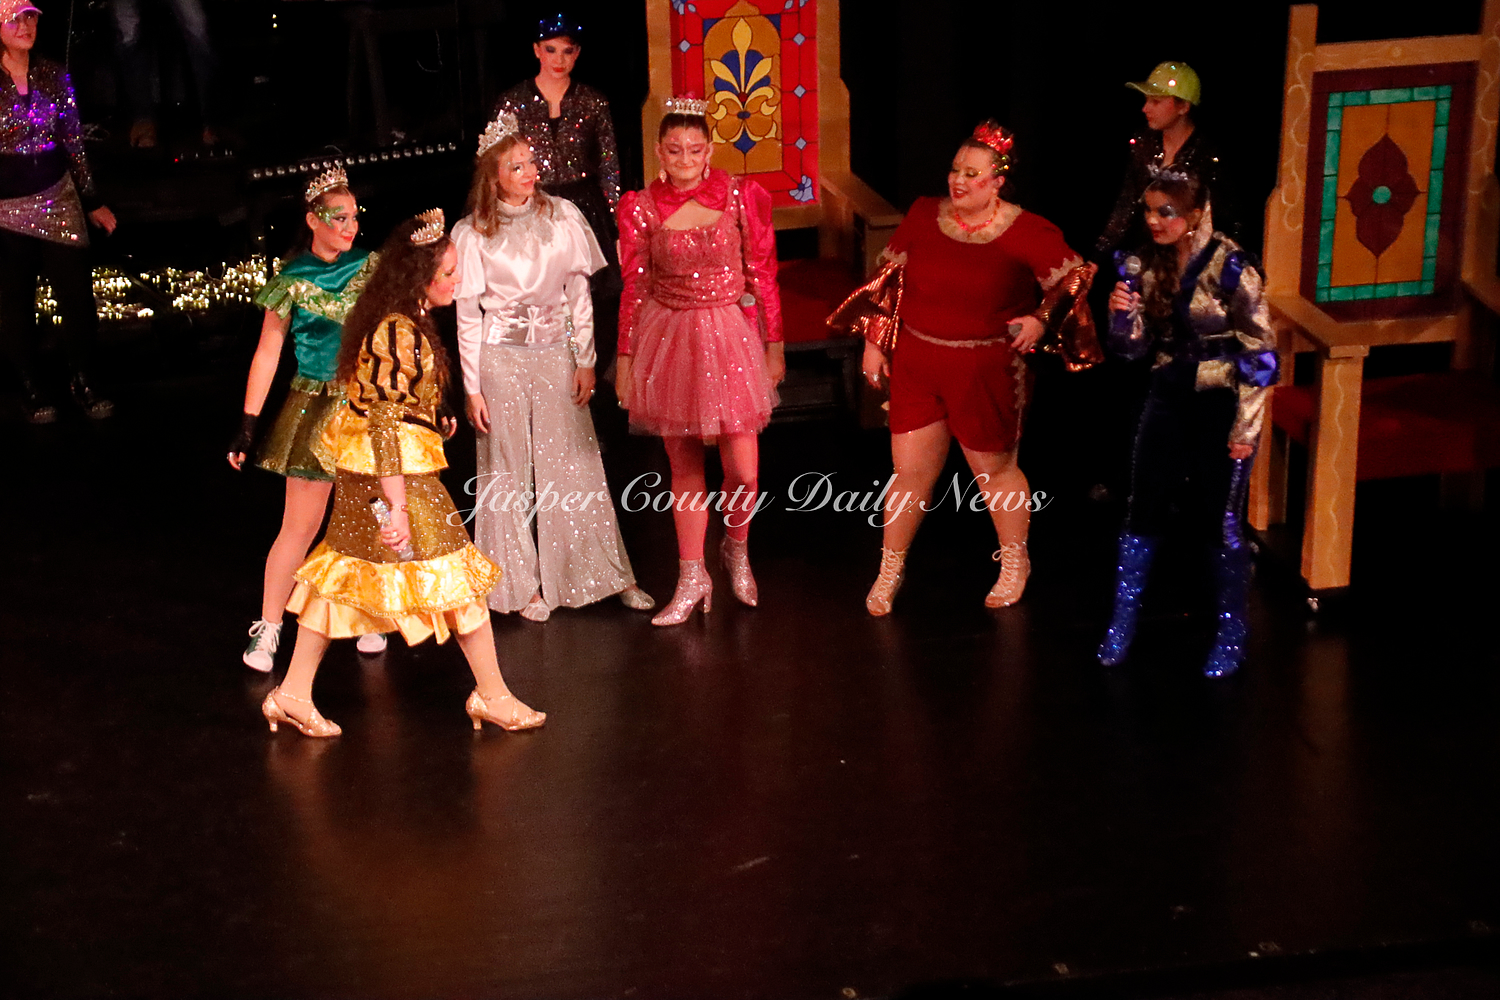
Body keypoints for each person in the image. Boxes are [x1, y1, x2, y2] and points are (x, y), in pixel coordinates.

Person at [264, 209, 545, 738]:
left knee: (344, 574)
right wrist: (395, 505)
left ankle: (293, 694)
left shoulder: (402, 322)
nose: (457, 280)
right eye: (448, 273)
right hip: (391, 477)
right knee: (454, 573)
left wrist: (432, 416)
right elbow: (383, 421)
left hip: (378, 472)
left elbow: (394, 404)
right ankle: (492, 695)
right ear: (419, 277)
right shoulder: (396, 330)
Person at [860, 121, 1091, 616]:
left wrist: (1041, 319)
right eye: (955, 169)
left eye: (972, 173)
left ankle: (1015, 562)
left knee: (994, 474)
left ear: (998, 181)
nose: (958, 180)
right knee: (908, 474)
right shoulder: (924, 215)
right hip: (919, 363)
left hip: (984, 370)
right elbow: (888, 280)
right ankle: (890, 568)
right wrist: (876, 342)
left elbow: (1075, 276)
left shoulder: (1026, 230)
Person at [454, 113, 652, 621]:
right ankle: (520, 586)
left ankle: (603, 573)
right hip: (500, 357)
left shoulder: (562, 215)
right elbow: (468, 315)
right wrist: (472, 389)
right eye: (516, 166)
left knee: (574, 461)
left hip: (553, 352)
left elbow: (578, 296)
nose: (530, 172)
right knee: (507, 468)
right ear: (493, 177)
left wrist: (585, 360)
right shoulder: (472, 233)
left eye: (531, 162)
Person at [1096, 167, 1276, 678]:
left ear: (1195, 214)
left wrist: (1246, 429)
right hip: (1168, 394)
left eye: (1167, 212)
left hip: (1220, 400)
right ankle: (1123, 620)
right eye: (1150, 211)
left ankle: (1232, 629)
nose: (1154, 221)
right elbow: (1131, 350)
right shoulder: (1146, 263)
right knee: (1144, 506)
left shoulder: (1231, 265)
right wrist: (1121, 314)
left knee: (1219, 518)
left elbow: (1261, 353)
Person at [616, 96, 785, 626]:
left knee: (744, 472)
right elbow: (634, 286)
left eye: (694, 149)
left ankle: (735, 547)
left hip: (730, 337)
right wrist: (626, 356)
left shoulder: (739, 195)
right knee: (684, 467)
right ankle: (692, 576)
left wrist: (774, 344)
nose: (685, 158)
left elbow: (762, 273)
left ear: (709, 150)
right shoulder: (641, 206)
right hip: (671, 339)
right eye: (674, 150)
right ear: (659, 152)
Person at [229, 166, 388, 671]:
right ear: (313, 220)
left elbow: (399, 335)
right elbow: (267, 352)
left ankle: (367, 610)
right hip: (314, 406)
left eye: (355, 217)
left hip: (363, 403)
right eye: (339, 217)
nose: (350, 227)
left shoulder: (371, 266)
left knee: (374, 514)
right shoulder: (291, 280)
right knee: (299, 526)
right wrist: (248, 424)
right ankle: (269, 626)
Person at [1, 0, 118, 424]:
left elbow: (73, 141)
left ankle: (83, 380)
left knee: (78, 297)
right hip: (6, 209)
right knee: (15, 301)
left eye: (30, 17)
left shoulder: (53, 73)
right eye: (15, 18)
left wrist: (92, 200)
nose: (25, 25)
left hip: (57, 197)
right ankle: (31, 388)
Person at [493, 11, 623, 374]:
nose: (558, 60)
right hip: (531, 207)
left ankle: (590, 376)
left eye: (567, 51)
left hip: (586, 209)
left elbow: (610, 167)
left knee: (591, 298)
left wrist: (615, 226)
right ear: (537, 50)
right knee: (538, 296)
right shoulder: (512, 101)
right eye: (550, 50)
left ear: (577, 53)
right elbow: (496, 163)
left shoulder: (593, 101)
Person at [1095, 61, 1232, 261]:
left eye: (1155, 102)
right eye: (1146, 100)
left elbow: (1222, 221)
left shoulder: (1206, 155)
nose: (1145, 109)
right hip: (1144, 256)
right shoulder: (1144, 143)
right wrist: (1097, 257)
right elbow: (1126, 204)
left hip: (1188, 260)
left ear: (1183, 106)